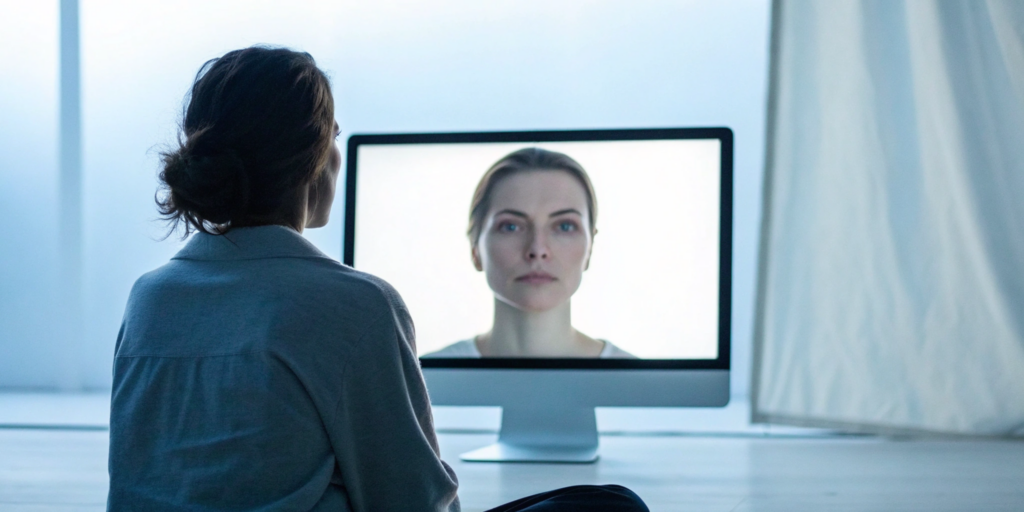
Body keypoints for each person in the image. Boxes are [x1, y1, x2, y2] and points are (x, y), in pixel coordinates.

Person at [107, 46, 647, 511]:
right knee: (614, 505)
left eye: (565, 225)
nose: (537, 248)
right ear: (316, 159)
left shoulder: (148, 298)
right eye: (334, 134)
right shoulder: (354, 305)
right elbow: (412, 501)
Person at [425, 148, 636, 359]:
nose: (537, 250)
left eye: (564, 226)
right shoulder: (418, 381)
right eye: (510, 227)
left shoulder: (640, 385)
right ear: (475, 248)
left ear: (590, 247)